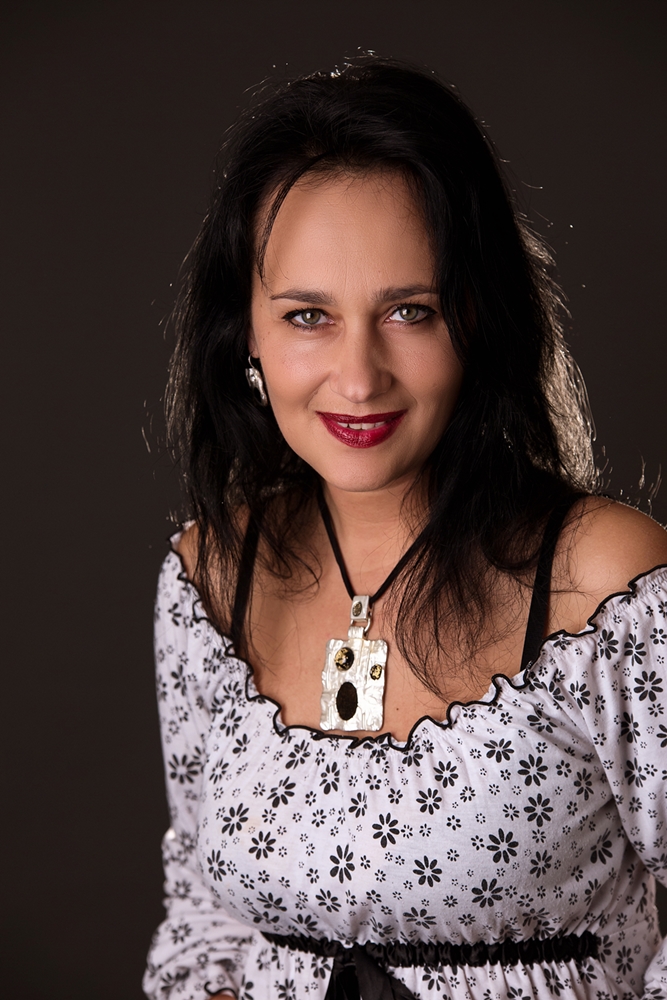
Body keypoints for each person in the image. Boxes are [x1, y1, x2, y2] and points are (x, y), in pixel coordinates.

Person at [143, 57, 667, 1000]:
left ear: (477, 320)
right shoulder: (210, 575)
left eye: (409, 312)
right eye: (308, 315)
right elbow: (203, 914)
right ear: (246, 334)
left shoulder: (607, 584)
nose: (358, 378)